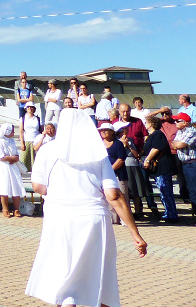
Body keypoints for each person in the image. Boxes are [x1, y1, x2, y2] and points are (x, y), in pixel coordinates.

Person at [25, 109, 147, 307]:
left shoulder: (47, 150)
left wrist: (58, 190)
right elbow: (113, 195)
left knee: (61, 272)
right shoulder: (97, 153)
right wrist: (135, 234)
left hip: (59, 217)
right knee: (100, 274)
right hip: (93, 219)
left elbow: (38, 187)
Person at [141, 115, 177, 222]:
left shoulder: (157, 134)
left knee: (165, 189)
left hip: (163, 166)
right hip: (158, 167)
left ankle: (171, 214)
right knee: (162, 190)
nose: (145, 124)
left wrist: (148, 159)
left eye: (146, 122)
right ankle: (168, 212)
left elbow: (156, 148)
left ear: (151, 124)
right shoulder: (151, 135)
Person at [0, 124, 23, 218]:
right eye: (12, 130)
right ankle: (5, 209)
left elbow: (16, 153)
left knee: (16, 187)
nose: (14, 132)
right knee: (4, 187)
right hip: (2, 167)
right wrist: (12, 158)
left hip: (12, 165)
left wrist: (14, 158)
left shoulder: (11, 141)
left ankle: (16, 209)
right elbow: (0, 156)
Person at [19, 104, 42, 172]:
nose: (30, 109)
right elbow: (21, 131)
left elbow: (40, 130)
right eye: (28, 107)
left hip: (36, 141)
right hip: (27, 140)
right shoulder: (23, 118)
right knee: (24, 160)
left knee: (36, 161)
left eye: (31, 107)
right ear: (26, 109)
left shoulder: (37, 118)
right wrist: (22, 143)